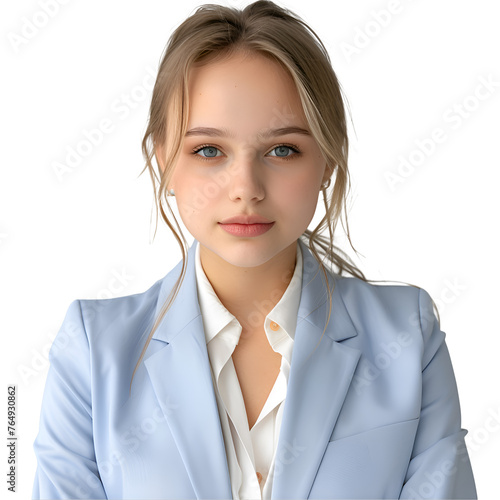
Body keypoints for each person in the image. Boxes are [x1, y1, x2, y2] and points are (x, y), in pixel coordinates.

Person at [32, 1, 477, 498]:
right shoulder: (93, 353)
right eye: (208, 150)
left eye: (282, 149)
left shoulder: (408, 338)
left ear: (327, 160)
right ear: (164, 160)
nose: (245, 187)